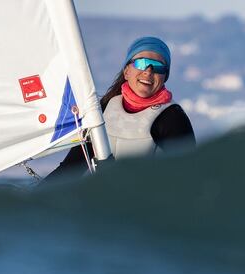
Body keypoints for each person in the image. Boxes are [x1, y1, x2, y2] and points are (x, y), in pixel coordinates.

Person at [46, 36, 195, 180]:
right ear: (126, 71)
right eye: (141, 63)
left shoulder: (172, 118)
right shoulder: (104, 109)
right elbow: (71, 168)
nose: (148, 71)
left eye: (158, 67)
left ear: (164, 77)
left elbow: (188, 177)